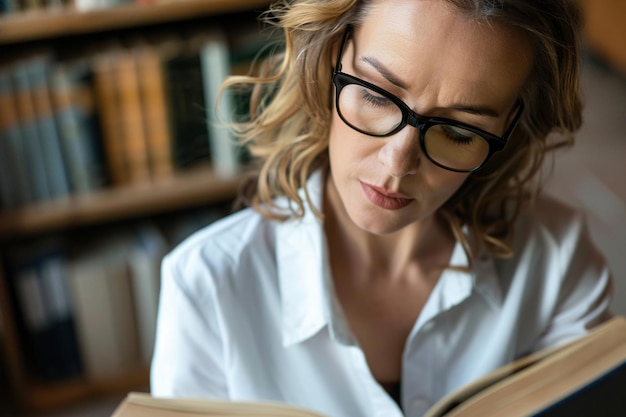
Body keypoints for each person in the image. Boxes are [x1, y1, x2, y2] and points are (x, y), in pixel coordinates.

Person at [150, 1, 614, 416]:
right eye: (375, 94)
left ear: (508, 132)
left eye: (457, 132)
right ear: (331, 57)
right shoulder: (206, 285)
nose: (398, 162)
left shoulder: (557, 258)